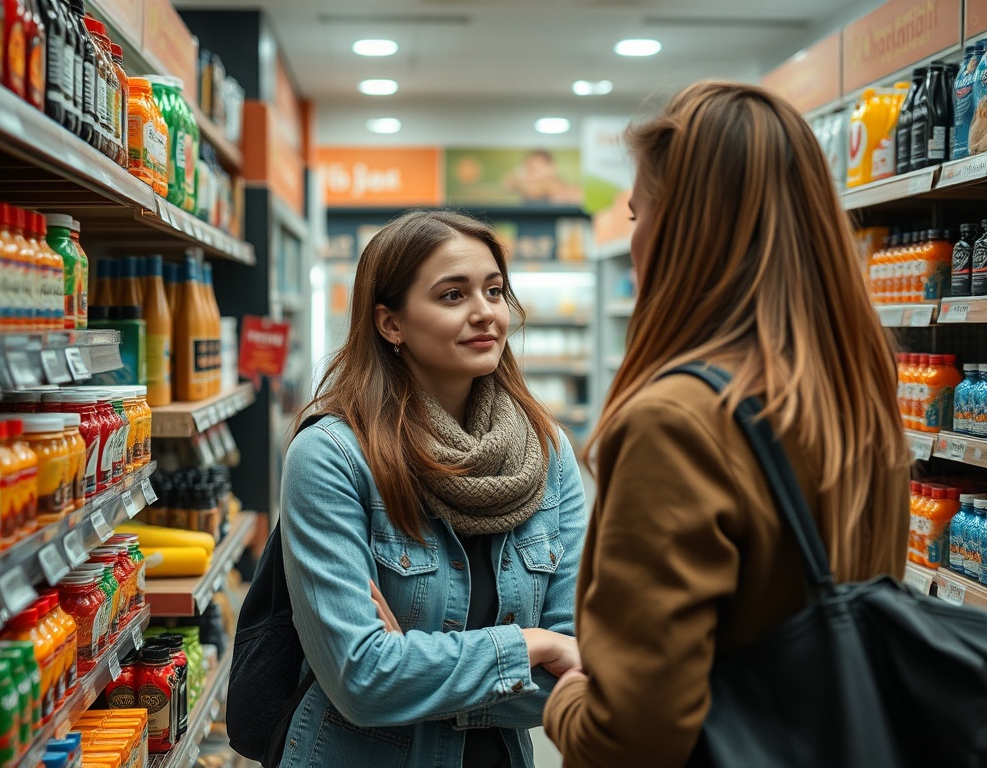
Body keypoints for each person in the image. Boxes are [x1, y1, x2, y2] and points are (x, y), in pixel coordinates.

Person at [542, 81, 911, 766]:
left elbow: (632, 736)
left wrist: (565, 694)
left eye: (636, 215)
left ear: (683, 228)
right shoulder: (855, 397)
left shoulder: (676, 423)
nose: (634, 243)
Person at [278, 209, 587, 768]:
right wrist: (530, 647)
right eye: (452, 295)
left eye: (495, 291)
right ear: (390, 323)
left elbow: (582, 670)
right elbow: (362, 679)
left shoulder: (547, 452)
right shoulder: (332, 457)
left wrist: (415, 668)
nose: (485, 314)